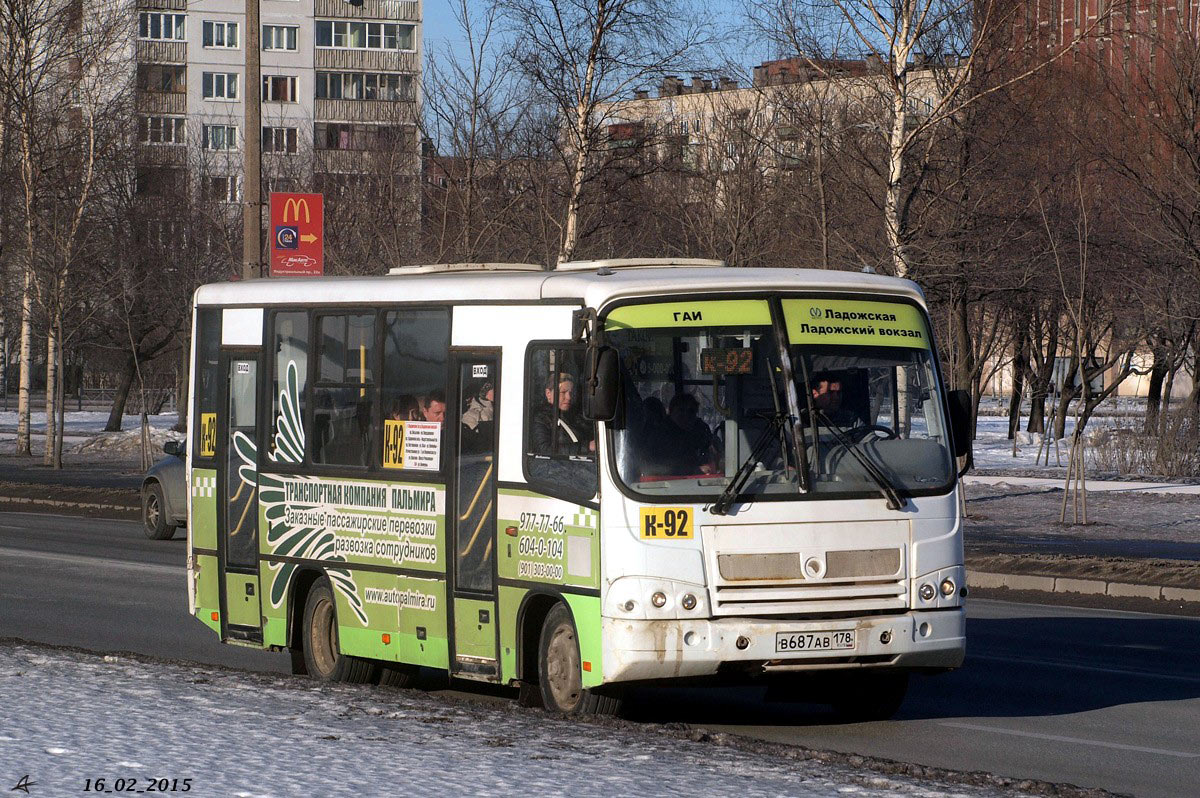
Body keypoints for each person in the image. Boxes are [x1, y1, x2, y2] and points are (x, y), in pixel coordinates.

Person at [530, 373, 594, 455]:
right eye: (563, 392)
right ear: (548, 393)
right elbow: (545, 450)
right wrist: (587, 447)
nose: (569, 397)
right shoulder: (541, 420)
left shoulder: (576, 416)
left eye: (571, 393)